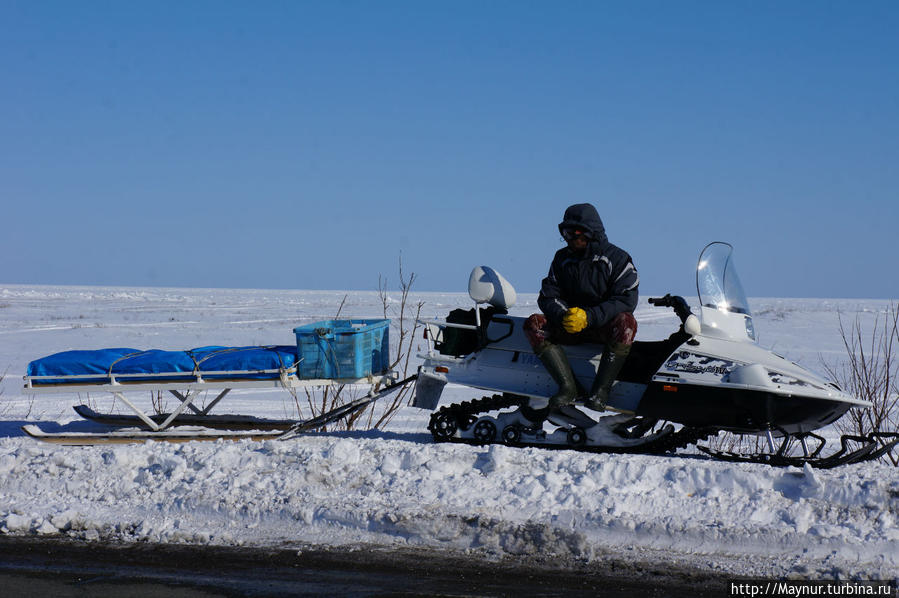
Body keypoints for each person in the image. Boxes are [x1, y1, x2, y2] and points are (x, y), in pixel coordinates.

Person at [524, 203, 639, 416]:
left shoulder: (618, 259)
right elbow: (549, 295)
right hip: (569, 326)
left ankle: (600, 392)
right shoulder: (562, 259)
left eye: (574, 233)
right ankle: (568, 388)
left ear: (589, 232)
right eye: (565, 233)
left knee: (627, 323)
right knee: (534, 323)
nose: (570, 239)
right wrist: (563, 314)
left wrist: (589, 316)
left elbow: (626, 299)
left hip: (601, 327)